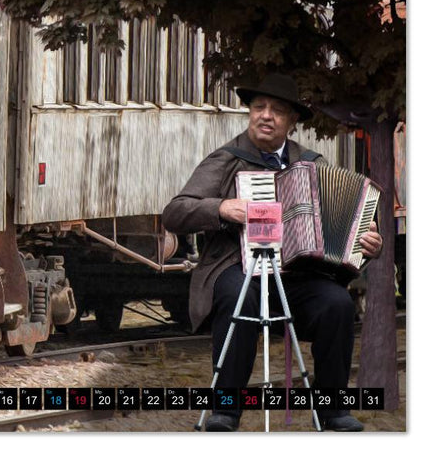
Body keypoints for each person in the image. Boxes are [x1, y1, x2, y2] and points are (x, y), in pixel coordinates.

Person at [161, 74, 383, 432]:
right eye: (259, 107)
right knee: (237, 296)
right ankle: (226, 410)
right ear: (249, 113)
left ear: (291, 121)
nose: (266, 116)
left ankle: (332, 410)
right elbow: (175, 212)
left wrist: (369, 245)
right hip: (238, 267)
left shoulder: (311, 163)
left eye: (277, 111)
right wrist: (221, 208)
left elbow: (346, 230)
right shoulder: (226, 160)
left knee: (337, 304)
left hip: (297, 275)